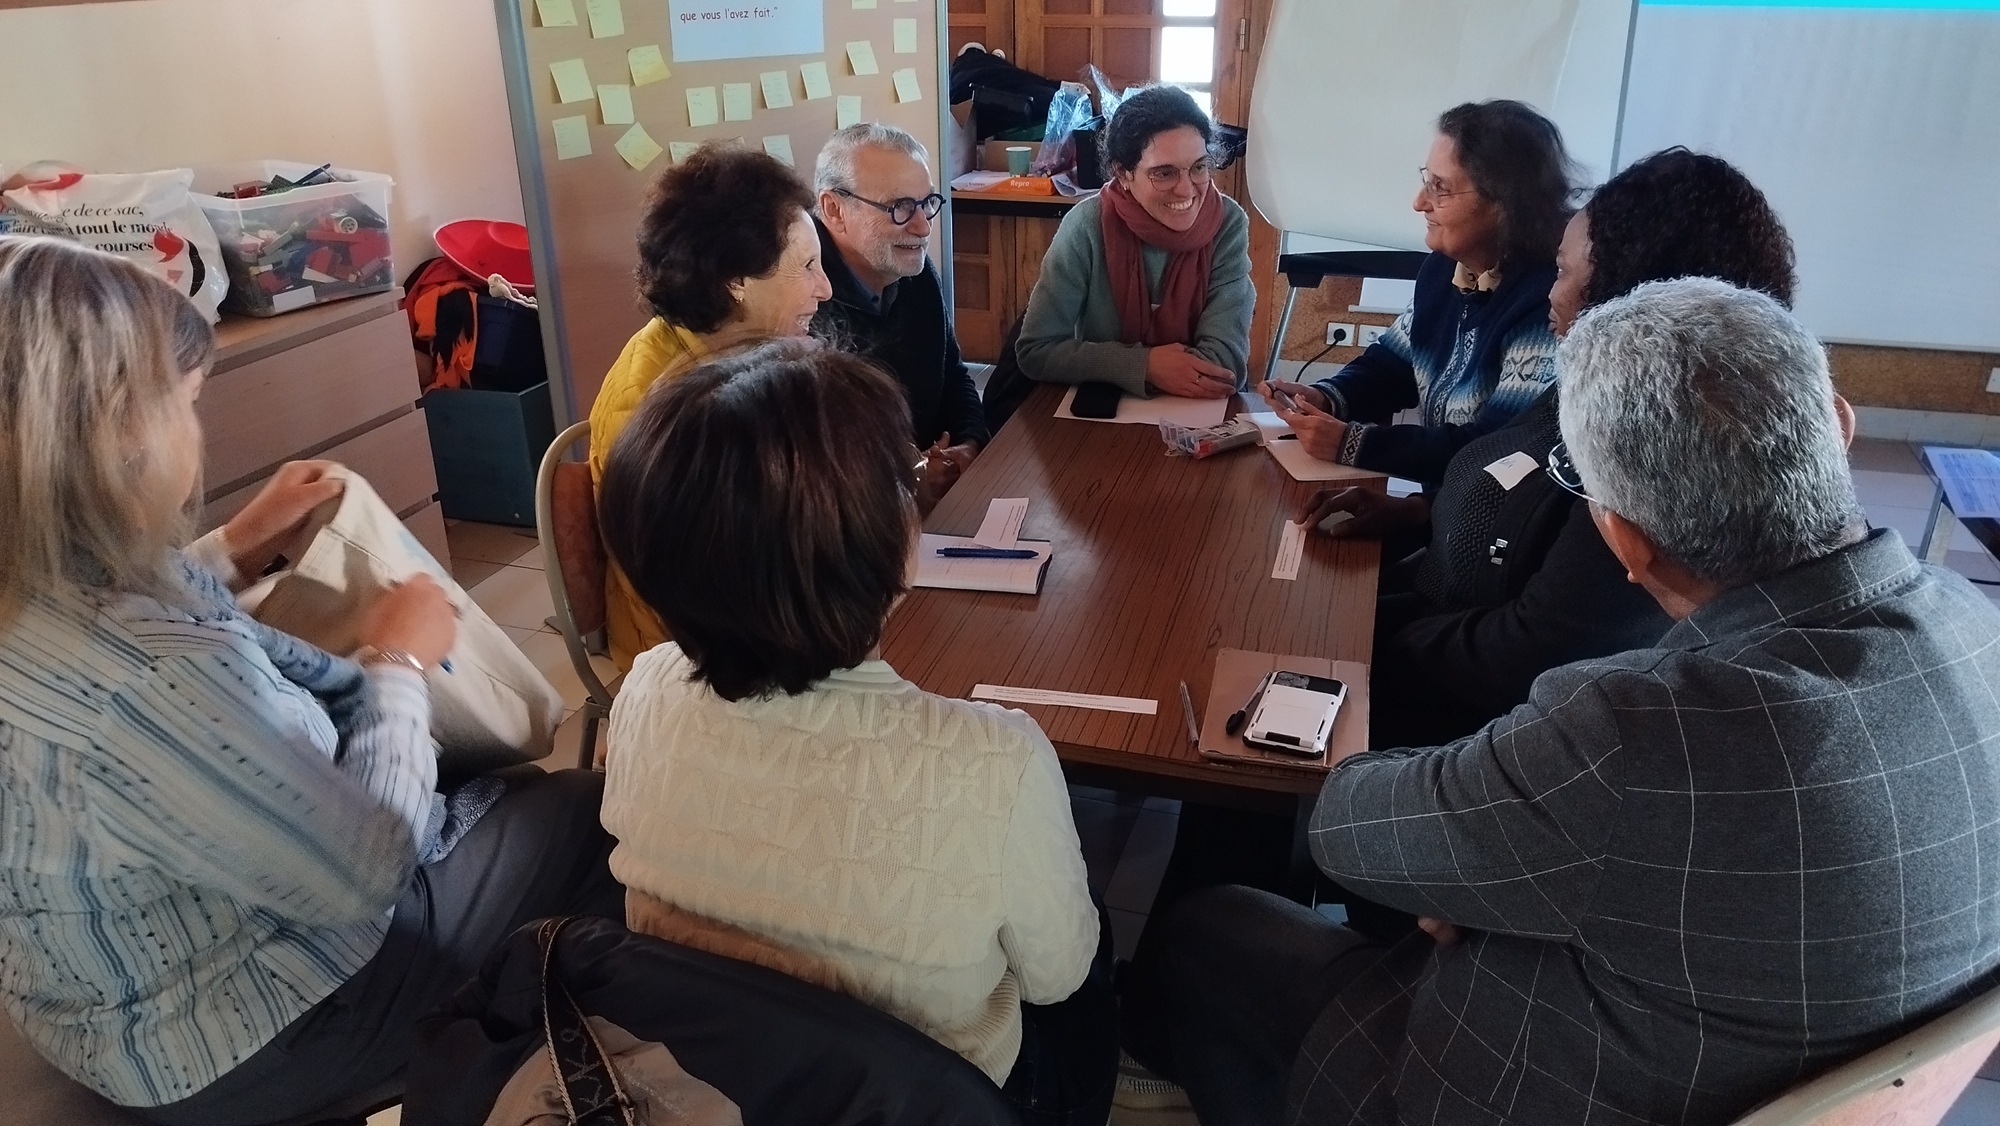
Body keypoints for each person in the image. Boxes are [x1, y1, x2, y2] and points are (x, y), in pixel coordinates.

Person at [1126, 278, 2000, 1126]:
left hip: (1504, 1079)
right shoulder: (1980, 628)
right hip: (1752, 1056)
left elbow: (1349, 829)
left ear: (1621, 538)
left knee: (1209, 928)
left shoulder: (1639, 731)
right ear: (1838, 429)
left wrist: (1473, 864)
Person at [0, 237, 623, 1125]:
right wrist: (398, 662)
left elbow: (128, 614)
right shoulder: (153, 682)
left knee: (504, 792)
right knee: (592, 813)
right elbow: (364, 868)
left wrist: (234, 546)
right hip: (235, 1034)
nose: (197, 433)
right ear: (116, 438)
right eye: (187, 404)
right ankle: (540, 1066)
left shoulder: (37, 579)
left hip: (90, 989)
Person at [596, 339, 1116, 1125]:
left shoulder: (642, 686)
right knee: (1091, 939)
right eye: (905, 485)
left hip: (711, 1076)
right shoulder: (998, 759)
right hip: (932, 1102)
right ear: (893, 549)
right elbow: (1057, 977)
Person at [1302, 147, 1797, 750]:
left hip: (1470, 720)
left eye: (1562, 275)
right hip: (1435, 621)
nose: (1548, 296)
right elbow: (1513, 478)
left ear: (1625, 295)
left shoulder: (1655, 447)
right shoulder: (1599, 382)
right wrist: (1416, 514)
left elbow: (1532, 652)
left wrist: (1359, 643)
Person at [588, 141, 832, 669]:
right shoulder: (655, 407)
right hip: (698, 664)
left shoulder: (745, 349)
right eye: (808, 268)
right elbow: (706, 602)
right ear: (736, 281)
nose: (826, 288)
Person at [1265, 99, 1578, 484]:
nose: (1419, 202)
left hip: (1485, 527)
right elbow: (1393, 365)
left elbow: (1496, 452)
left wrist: (1354, 444)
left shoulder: (1547, 303)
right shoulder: (1444, 269)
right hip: (1440, 508)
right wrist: (1325, 397)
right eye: (1425, 180)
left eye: (1440, 188)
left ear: (1505, 204)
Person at [1015, 84, 1254, 401]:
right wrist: (1145, 365)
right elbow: (1036, 350)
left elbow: (1225, 368)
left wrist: (1101, 361)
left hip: (1197, 420)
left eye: (1199, 167)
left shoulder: (1227, 224)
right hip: (1098, 423)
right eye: (1164, 173)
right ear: (1123, 173)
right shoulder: (1087, 226)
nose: (1186, 190)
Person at [812, 122, 988, 497]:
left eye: (926, 203)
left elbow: (953, 374)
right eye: (900, 207)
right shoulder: (804, 302)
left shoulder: (913, 273)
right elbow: (812, 470)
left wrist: (969, 444)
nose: (923, 227)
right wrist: (907, 483)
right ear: (834, 209)